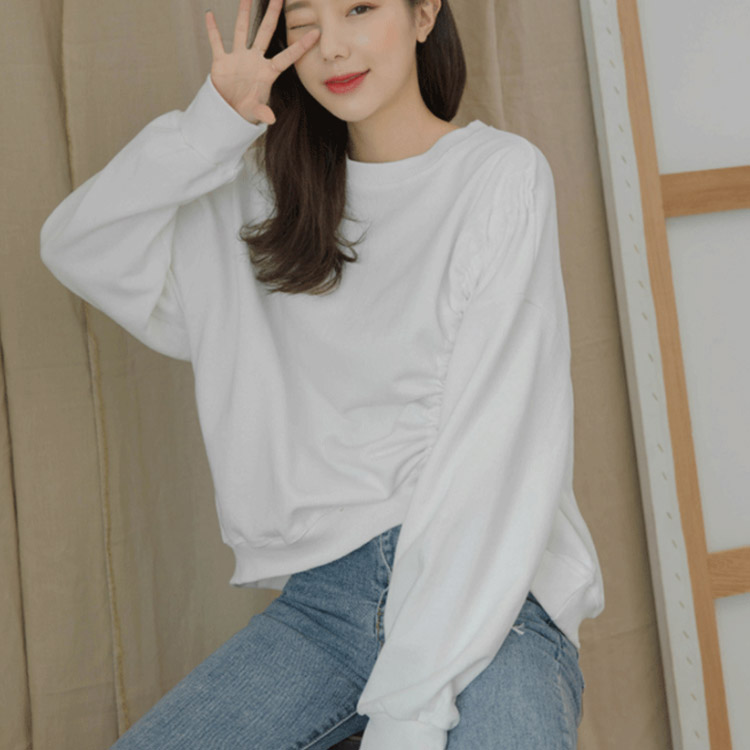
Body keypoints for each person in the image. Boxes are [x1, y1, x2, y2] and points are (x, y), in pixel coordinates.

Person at [39, 0, 605, 747]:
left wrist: (409, 711)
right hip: (324, 610)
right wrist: (212, 125)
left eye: (360, 8)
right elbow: (77, 245)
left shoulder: (497, 175)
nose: (332, 46)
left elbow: (496, 456)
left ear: (424, 13)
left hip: (491, 598)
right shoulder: (257, 200)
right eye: (305, 21)